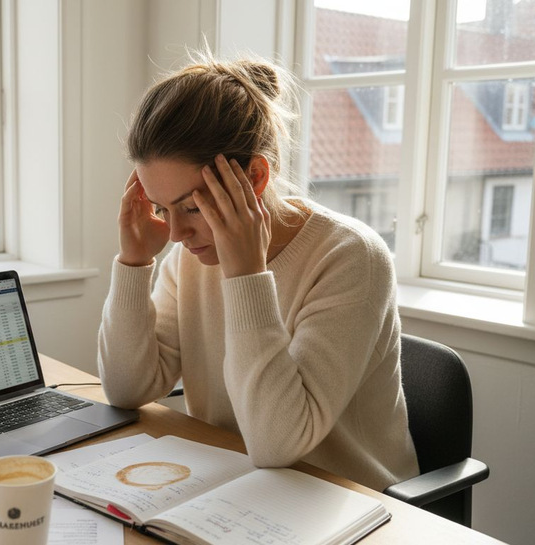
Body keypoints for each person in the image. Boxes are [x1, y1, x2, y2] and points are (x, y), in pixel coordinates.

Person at [98, 52, 420, 492]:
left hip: (347, 502)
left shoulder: (351, 257)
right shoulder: (190, 255)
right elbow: (126, 389)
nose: (175, 233)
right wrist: (134, 264)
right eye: (160, 207)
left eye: (193, 207)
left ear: (254, 176)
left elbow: (278, 444)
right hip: (236, 488)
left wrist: (246, 275)